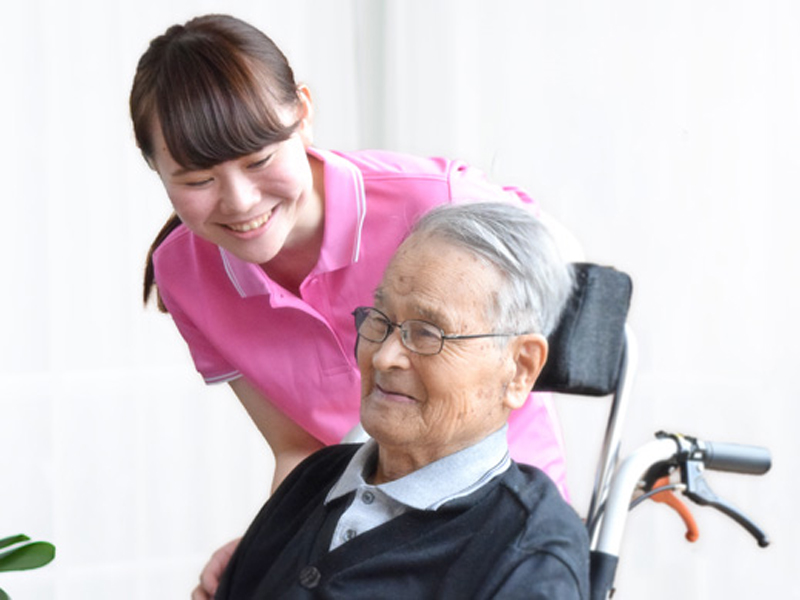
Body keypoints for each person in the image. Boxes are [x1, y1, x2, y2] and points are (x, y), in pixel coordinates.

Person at [129, 14, 572, 598]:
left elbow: (564, 284)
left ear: (303, 113)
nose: (240, 202)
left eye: (259, 161)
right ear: (156, 170)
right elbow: (298, 447)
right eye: (196, 178)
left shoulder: (434, 200)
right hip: (366, 513)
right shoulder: (185, 275)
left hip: (491, 520)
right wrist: (274, 550)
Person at [214, 202, 588, 599]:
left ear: (520, 368)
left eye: (427, 333)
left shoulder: (528, 557)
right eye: (381, 320)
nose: (383, 356)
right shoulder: (316, 480)